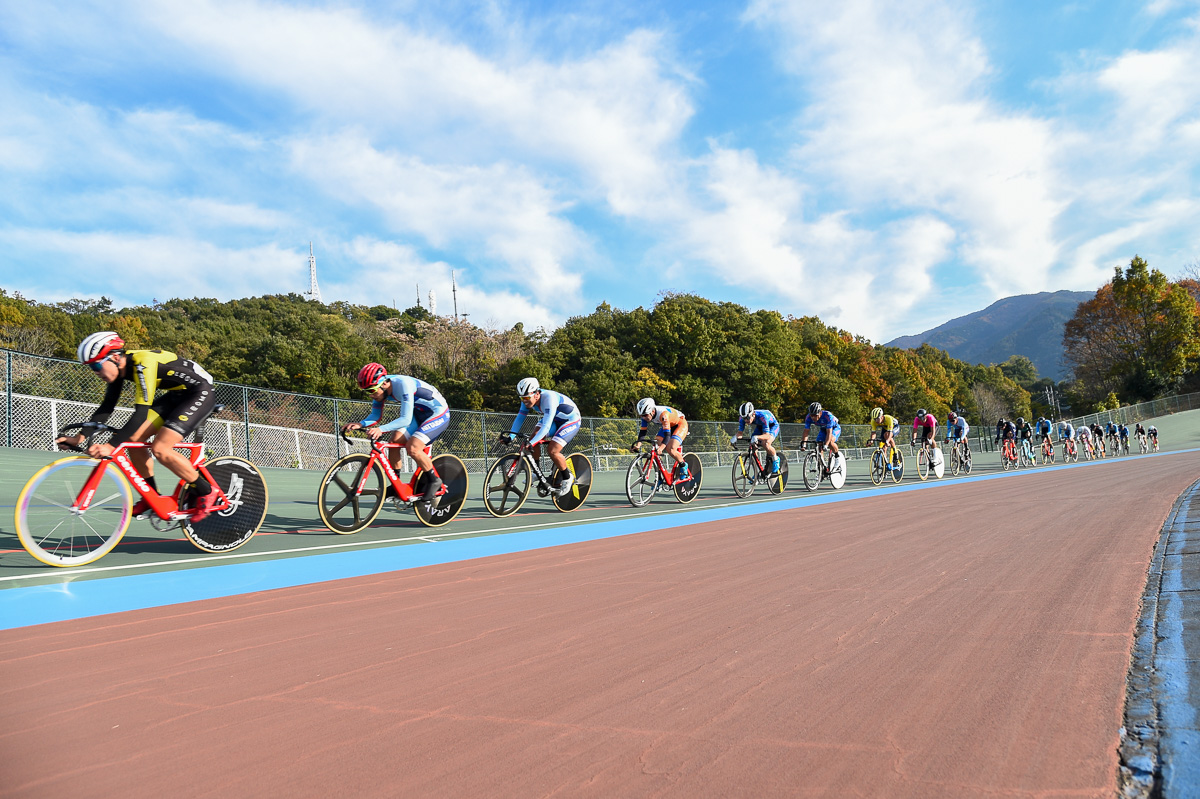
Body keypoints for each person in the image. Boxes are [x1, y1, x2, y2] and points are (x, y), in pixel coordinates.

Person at [58, 332, 220, 521]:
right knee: (133, 440)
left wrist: (110, 446)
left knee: (161, 448)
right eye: (91, 368)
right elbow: (107, 406)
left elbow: (140, 414)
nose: (95, 372)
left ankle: (207, 491)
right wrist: (79, 438)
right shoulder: (120, 369)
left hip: (199, 393)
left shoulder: (143, 365)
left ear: (115, 357)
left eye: (96, 365)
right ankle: (151, 496)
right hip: (176, 395)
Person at [342, 363, 449, 503]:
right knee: (394, 441)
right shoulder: (381, 390)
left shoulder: (403, 385)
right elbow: (375, 416)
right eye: (367, 391)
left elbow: (405, 419)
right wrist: (360, 424)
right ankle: (396, 485)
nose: (371, 395)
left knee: (413, 447)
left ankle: (434, 479)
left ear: (385, 383)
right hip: (418, 413)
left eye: (372, 390)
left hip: (438, 413)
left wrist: (380, 429)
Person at [506, 378, 582, 495]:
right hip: (555, 420)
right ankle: (537, 472)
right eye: (521, 398)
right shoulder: (527, 398)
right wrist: (510, 437)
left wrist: (531, 444)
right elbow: (520, 418)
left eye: (526, 398)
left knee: (552, 450)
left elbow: (546, 426)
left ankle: (567, 477)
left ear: (537, 394)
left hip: (570, 420)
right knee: (533, 438)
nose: (524, 401)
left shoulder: (549, 398)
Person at [633, 398, 689, 479]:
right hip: (668, 425)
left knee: (671, 448)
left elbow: (667, 436)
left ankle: (683, 465)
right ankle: (660, 475)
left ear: (652, 411)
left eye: (645, 415)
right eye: (641, 416)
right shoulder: (646, 415)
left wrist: (661, 448)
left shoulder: (663, 415)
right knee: (656, 444)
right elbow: (642, 432)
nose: (643, 418)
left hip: (680, 424)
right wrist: (638, 445)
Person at [731, 402, 781, 475]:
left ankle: (776, 460)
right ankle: (757, 471)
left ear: (753, 414)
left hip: (772, 426)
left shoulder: (763, 416)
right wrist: (735, 437)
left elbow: (766, 435)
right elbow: (740, 433)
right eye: (744, 418)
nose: (746, 421)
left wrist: (757, 437)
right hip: (760, 426)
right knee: (752, 445)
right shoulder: (742, 418)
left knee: (766, 443)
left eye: (747, 418)